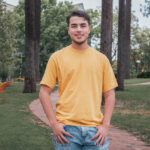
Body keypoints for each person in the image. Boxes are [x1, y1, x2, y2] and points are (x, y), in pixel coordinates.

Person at [39, 10, 118, 150]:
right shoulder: (57, 57)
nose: (79, 29)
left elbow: (110, 94)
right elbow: (44, 92)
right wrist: (53, 123)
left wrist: (105, 126)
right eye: (74, 26)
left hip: (95, 132)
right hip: (67, 131)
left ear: (89, 29)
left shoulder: (102, 59)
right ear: (68, 30)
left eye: (83, 25)